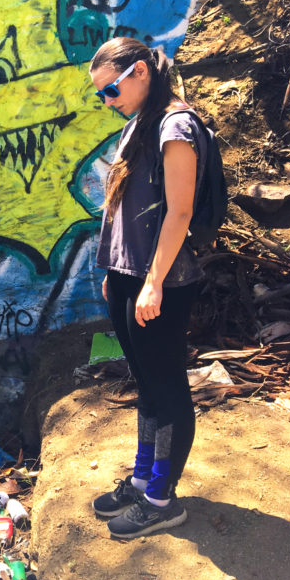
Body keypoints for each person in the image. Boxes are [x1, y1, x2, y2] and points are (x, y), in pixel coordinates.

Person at [88, 37, 205, 539]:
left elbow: (179, 211)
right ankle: (143, 478)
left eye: (110, 90)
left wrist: (153, 282)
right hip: (130, 276)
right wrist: (117, 275)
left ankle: (162, 497)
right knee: (147, 383)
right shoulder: (141, 121)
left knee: (167, 386)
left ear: (139, 72)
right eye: (101, 95)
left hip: (162, 280)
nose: (108, 102)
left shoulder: (176, 124)